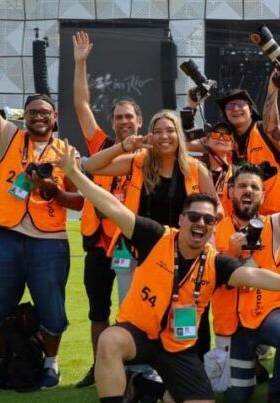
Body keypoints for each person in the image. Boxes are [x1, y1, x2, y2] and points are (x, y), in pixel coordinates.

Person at [55, 143, 280, 403]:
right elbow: (112, 206)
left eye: (207, 220)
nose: (200, 224)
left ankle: (144, 385)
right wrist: (75, 173)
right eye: (194, 217)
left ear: (213, 225)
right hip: (141, 332)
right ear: (182, 219)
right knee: (109, 340)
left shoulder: (222, 257)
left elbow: (256, 277)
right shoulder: (157, 235)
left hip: (177, 345)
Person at [0, 39, 84, 391]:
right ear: (23, 115)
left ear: (54, 118)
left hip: (48, 239)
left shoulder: (67, 152)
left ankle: (51, 364)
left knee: (52, 306)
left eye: (44, 112)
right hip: (3, 234)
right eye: (32, 112)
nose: (37, 117)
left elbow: (79, 201)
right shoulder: (7, 137)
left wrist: (50, 190)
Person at [70, 31, 145, 388]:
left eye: (129, 117)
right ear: (112, 122)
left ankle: (132, 369)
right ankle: (99, 366)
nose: (123, 122)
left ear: (139, 121)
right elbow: (82, 106)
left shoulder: (148, 156)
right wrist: (81, 62)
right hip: (97, 244)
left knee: (130, 311)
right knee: (98, 311)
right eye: (118, 117)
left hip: (129, 245)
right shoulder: (102, 147)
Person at [211, 155, 280, 403]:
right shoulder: (213, 231)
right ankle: (253, 367)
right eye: (242, 186)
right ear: (231, 192)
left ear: (263, 196)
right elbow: (209, 277)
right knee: (235, 398)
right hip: (234, 325)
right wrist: (231, 253)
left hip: (268, 314)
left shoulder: (273, 225)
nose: (248, 191)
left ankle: (278, 394)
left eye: (255, 187)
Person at [82, 110, 215, 302]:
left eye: (170, 130)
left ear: (179, 134)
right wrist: (123, 147)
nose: (164, 136)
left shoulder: (195, 168)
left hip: (180, 253)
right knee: (132, 314)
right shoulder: (138, 162)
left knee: (177, 314)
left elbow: (215, 208)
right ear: (150, 135)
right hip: (138, 249)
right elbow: (92, 166)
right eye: (157, 131)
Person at [212, 74, 280, 215]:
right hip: (243, 217)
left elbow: (273, 127)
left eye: (240, 104)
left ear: (251, 110)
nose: (235, 108)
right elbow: (188, 144)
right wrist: (191, 106)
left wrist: (273, 89)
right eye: (230, 106)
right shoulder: (225, 140)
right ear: (225, 114)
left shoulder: (263, 130)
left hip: (278, 216)